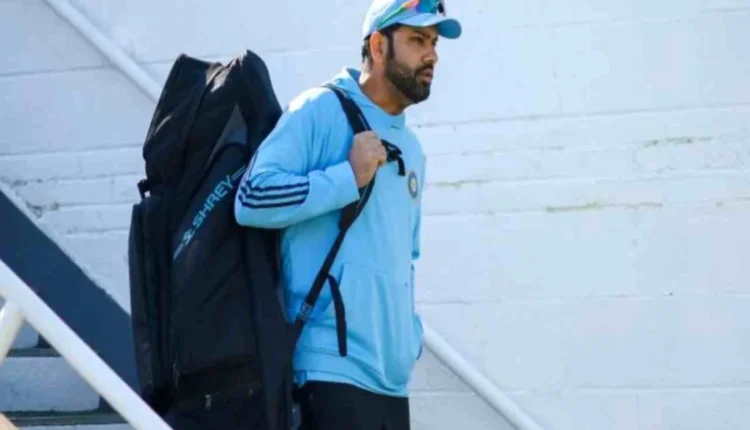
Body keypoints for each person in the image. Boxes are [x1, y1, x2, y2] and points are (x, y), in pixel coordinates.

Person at [234, 0, 461, 428]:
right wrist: (345, 178)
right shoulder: (319, 109)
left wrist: (407, 338)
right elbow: (252, 198)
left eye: (433, 43)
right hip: (329, 370)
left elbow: (406, 258)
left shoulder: (411, 150)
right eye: (417, 40)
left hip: (392, 380)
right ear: (378, 46)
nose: (431, 54)